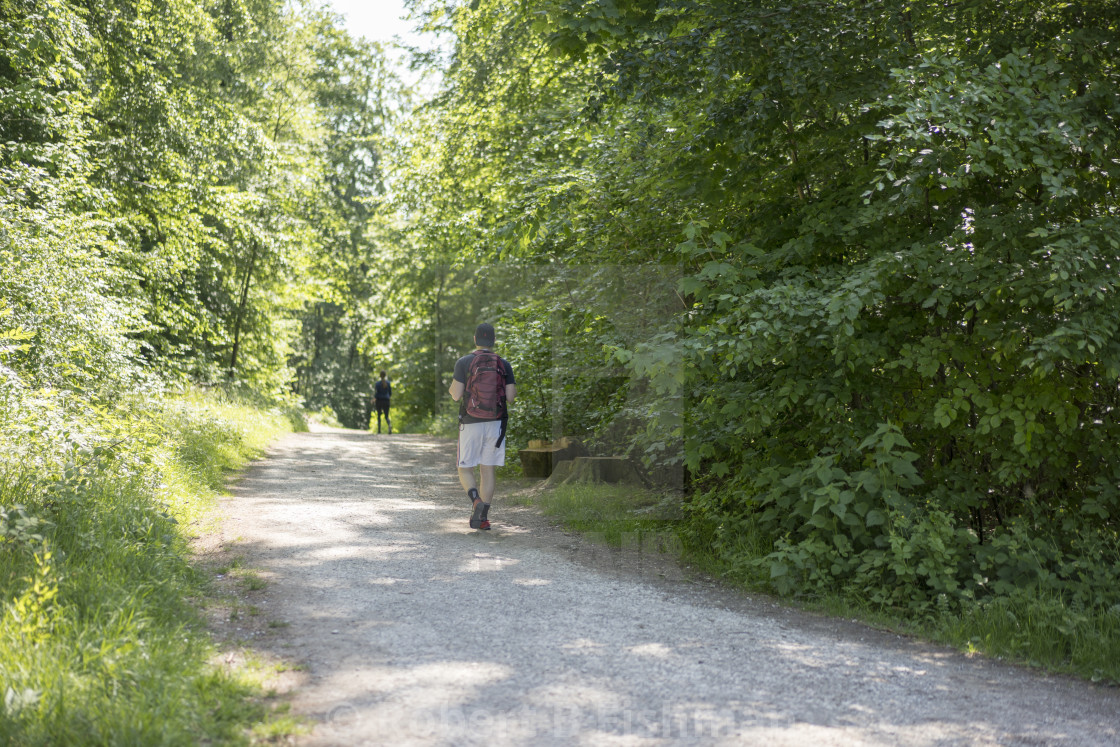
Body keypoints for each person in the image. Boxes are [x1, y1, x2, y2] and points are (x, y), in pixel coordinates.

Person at [449, 323, 516, 530]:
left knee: (464, 468)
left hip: (471, 422)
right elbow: (511, 397)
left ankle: (475, 500)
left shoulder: (464, 362)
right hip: (496, 424)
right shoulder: (504, 365)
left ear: (475, 339)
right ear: (493, 341)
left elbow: (456, 394)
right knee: (488, 470)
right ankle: (483, 518)